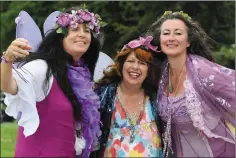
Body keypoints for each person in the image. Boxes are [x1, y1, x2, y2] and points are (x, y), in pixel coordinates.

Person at [1, 6, 106, 157]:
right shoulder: (42, 68)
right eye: (75, 29)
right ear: (60, 37)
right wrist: (7, 59)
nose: (82, 34)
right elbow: (8, 85)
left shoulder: (83, 77)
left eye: (87, 30)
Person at [147, 11, 235, 157]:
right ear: (159, 40)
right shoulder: (160, 74)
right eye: (166, 33)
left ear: (188, 41)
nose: (171, 38)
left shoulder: (203, 71)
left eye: (178, 33)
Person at [93, 36, 163, 157]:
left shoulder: (156, 98)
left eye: (142, 63)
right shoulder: (103, 95)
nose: (135, 67)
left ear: (149, 70)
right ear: (121, 65)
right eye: (130, 61)